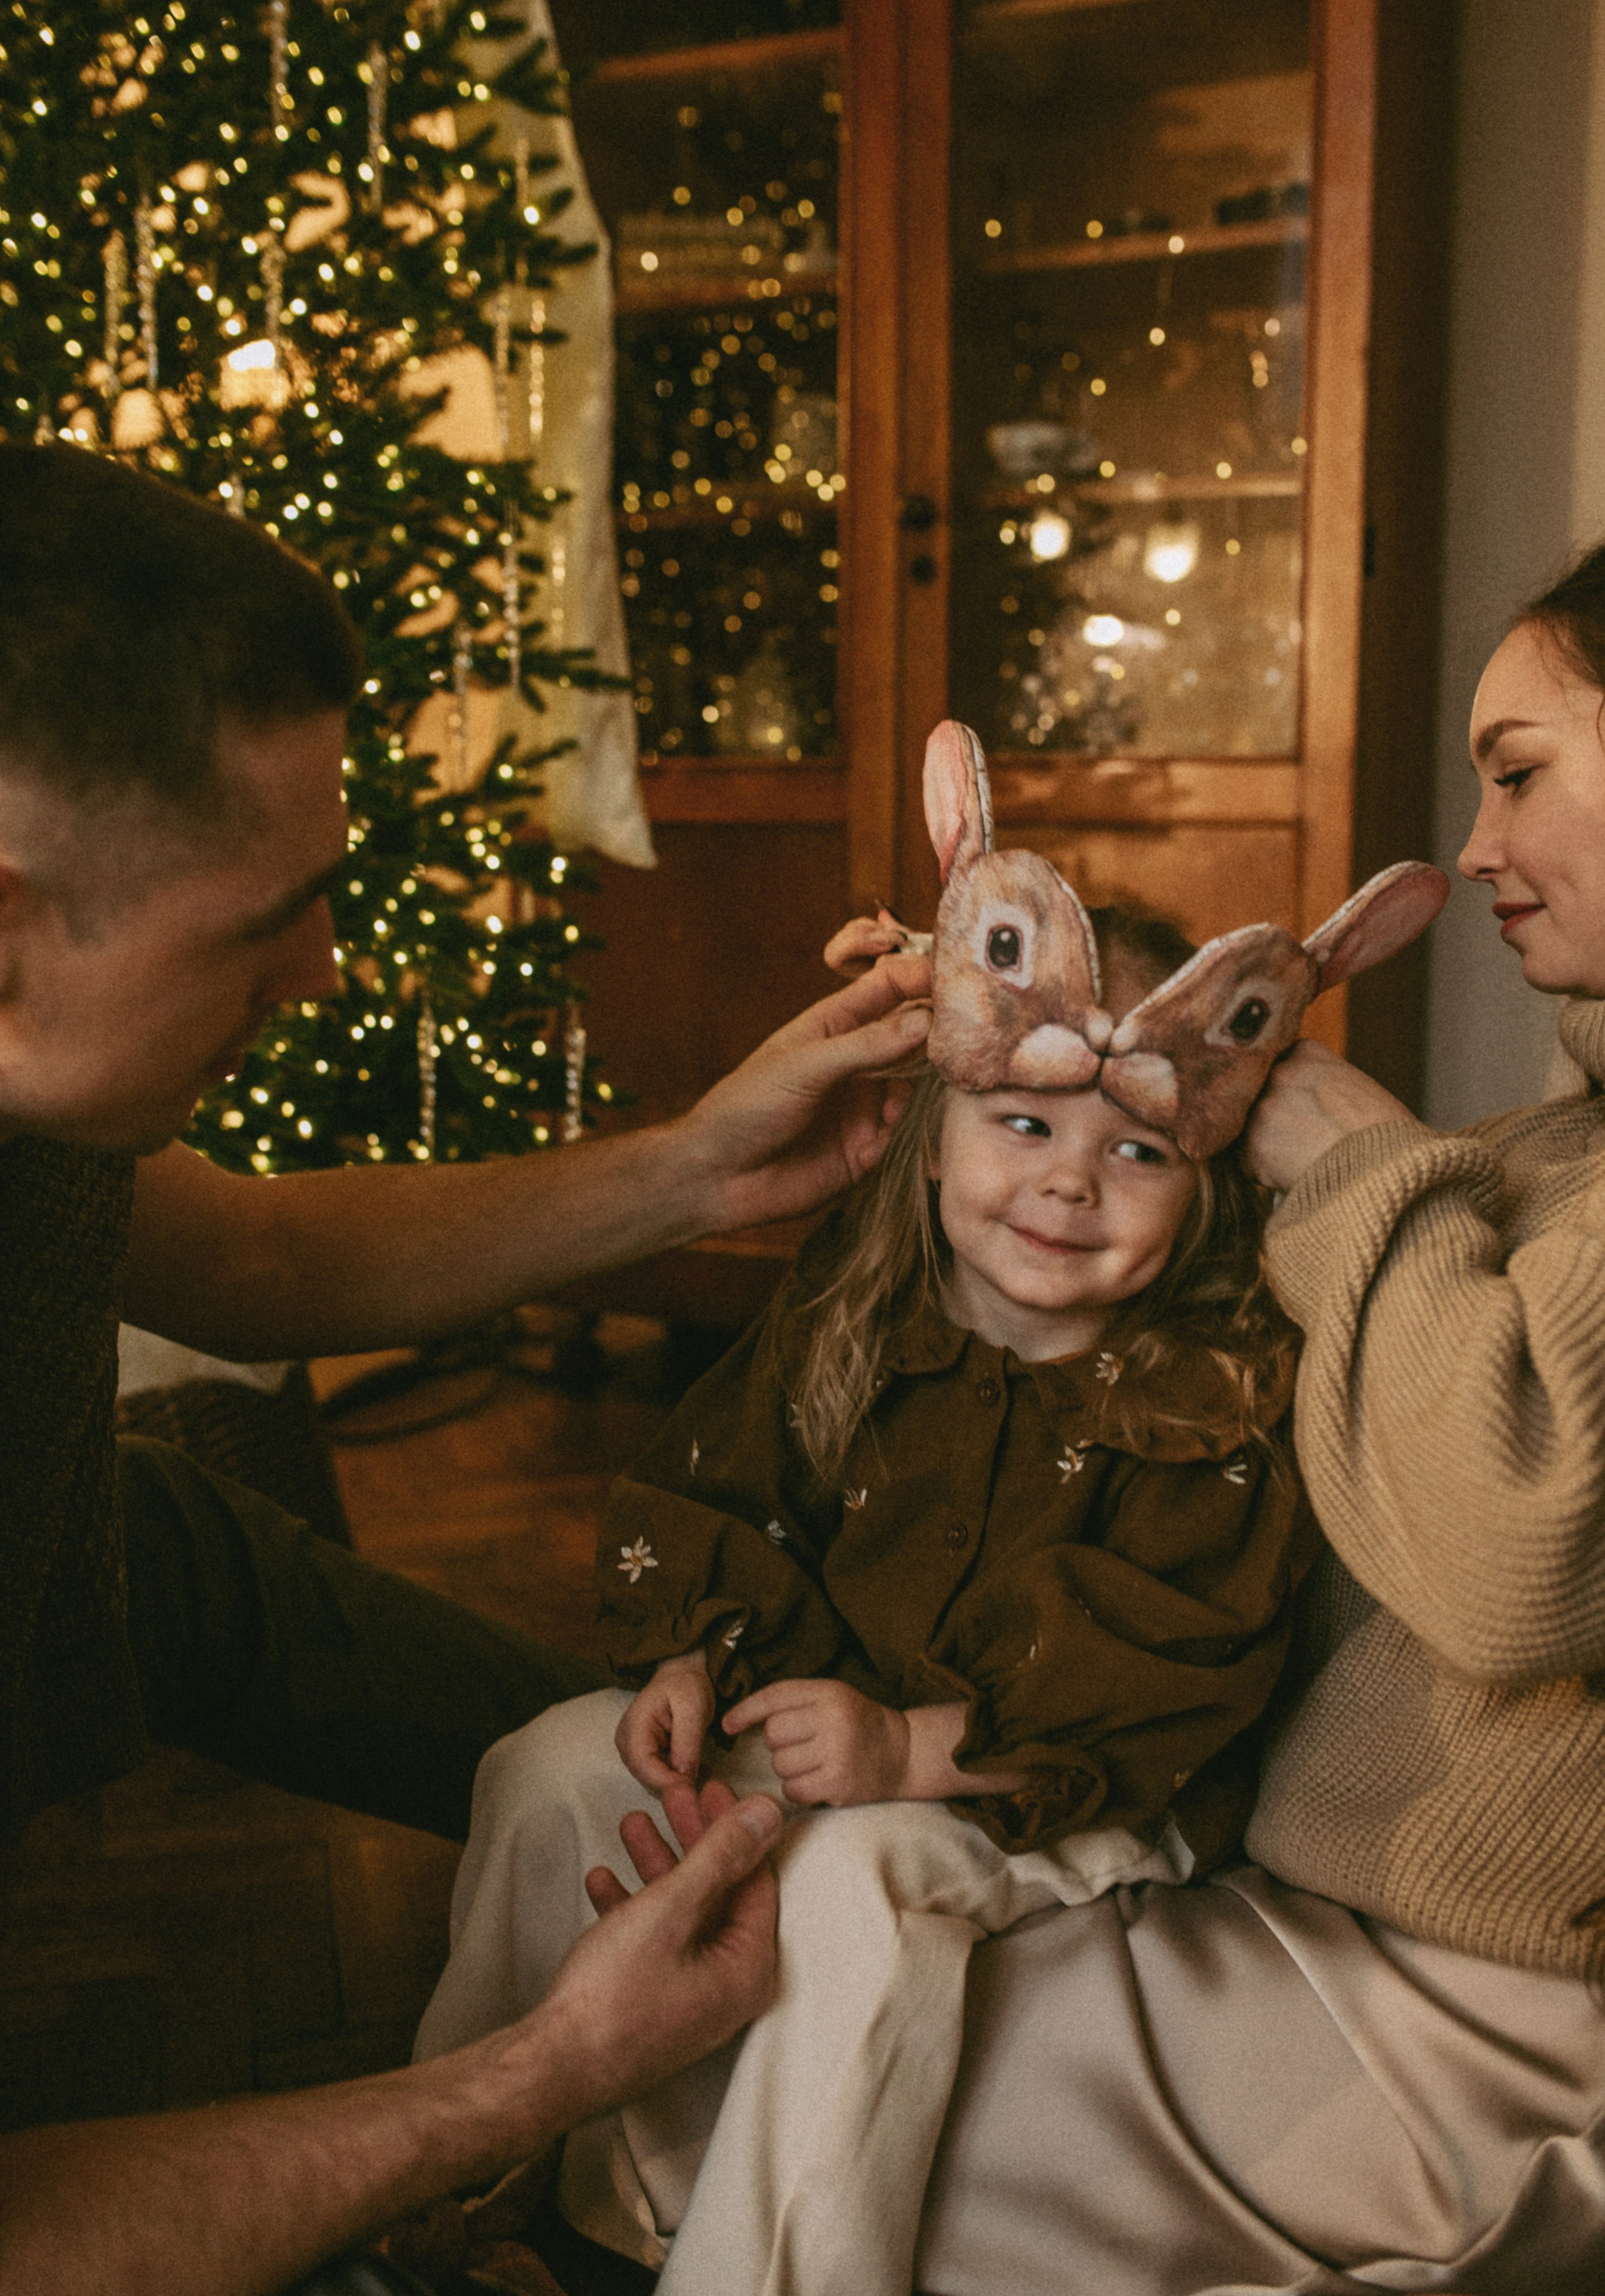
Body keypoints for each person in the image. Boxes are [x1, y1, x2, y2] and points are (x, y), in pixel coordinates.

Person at [0, 441, 930, 2292]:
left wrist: (701, 1163)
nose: (330, 971)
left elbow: (255, 1254)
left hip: (118, 1544)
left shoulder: (51, 1109)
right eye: (270, 923)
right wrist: (542, 2075)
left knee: (197, 1551)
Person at [411, 903, 1316, 2294]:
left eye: (1134, 1151)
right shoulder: (864, 1297)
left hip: (1061, 1782)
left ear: (1204, 1189)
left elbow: (1170, 1666)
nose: (1068, 1185)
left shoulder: (1202, 1398)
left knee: (849, 1883)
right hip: (839, 1713)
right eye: (1024, 1125)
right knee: (542, 1768)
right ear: (930, 1125)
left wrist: (911, 1753)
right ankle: (450, 2176)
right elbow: (731, 1478)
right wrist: (693, 1659)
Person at [888, 549, 1605, 2294]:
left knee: (861, 2088)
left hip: (1474, 1999)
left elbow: (1516, 1546)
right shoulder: (1536, 1154)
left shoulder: (1474, 1178)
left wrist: (1357, 1159)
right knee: (813, 1972)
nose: (1482, 848)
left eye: (1518, 771)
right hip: (1282, 1876)